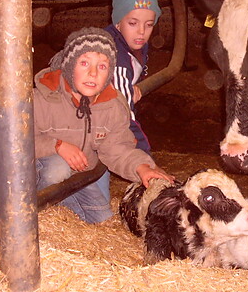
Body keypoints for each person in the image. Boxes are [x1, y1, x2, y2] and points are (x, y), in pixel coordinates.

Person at [33, 27, 174, 224]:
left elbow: (118, 148)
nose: (92, 73)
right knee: (58, 168)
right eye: (84, 63)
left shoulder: (111, 107)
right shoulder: (41, 99)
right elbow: (15, 143)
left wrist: (142, 168)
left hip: (82, 174)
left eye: (102, 67)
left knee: (102, 221)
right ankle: (38, 214)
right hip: (40, 171)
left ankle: (61, 214)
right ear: (69, 65)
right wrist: (57, 145)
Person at [104, 0, 162, 155]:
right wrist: (144, 157)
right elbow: (125, 116)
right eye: (133, 23)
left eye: (149, 24)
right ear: (118, 23)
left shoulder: (133, 43)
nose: (141, 32)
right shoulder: (115, 56)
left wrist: (134, 85)